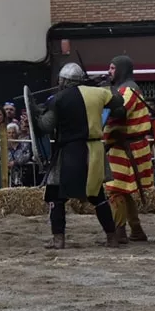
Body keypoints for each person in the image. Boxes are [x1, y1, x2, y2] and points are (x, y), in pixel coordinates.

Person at [31, 63, 126, 249]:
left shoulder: (58, 99)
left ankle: (58, 239)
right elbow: (119, 103)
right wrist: (101, 87)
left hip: (69, 152)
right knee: (98, 196)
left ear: (64, 81)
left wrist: (36, 116)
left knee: (55, 195)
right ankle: (111, 237)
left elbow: (46, 126)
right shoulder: (97, 93)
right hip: (94, 151)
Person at [103, 55, 154, 243]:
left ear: (122, 69)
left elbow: (119, 111)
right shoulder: (123, 89)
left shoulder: (128, 90)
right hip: (122, 147)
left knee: (115, 190)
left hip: (127, 147)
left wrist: (102, 96)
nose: (109, 72)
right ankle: (136, 229)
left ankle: (119, 231)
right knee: (123, 191)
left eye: (112, 68)